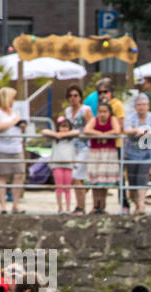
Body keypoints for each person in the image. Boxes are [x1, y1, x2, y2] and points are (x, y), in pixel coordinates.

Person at [0, 86, 26, 214]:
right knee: (2, 175)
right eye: (13, 98)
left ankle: (16, 205)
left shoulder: (14, 112)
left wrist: (22, 125)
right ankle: (3, 206)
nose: (14, 101)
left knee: (19, 174)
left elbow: (18, 125)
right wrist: (14, 121)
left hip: (15, 147)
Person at [122, 93, 151, 217]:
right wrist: (136, 131)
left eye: (144, 105)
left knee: (142, 177)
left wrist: (147, 131)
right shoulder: (130, 117)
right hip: (131, 153)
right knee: (132, 180)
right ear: (135, 107)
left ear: (148, 106)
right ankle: (136, 204)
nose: (141, 107)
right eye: (139, 105)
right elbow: (126, 130)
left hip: (147, 154)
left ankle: (141, 205)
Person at [83, 101, 122, 214]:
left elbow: (117, 130)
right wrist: (101, 134)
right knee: (95, 181)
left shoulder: (113, 119)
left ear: (109, 112)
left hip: (108, 153)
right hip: (96, 153)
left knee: (104, 181)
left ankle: (102, 206)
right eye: (100, 111)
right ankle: (95, 205)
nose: (102, 114)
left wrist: (104, 134)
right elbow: (87, 130)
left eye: (105, 111)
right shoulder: (94, 120)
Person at [61, 84, 94, 214]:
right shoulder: (68, 111)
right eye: (70, 96)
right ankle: (79, 205)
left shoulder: (86, 110)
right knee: (75, 178)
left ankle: (81, 206)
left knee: (77, 176)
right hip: (71, 147)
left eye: (75, 95)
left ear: (80, 97)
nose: (73, 98)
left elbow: (90, 127)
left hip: (84, 146)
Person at [45, 116, 77, 213]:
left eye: (66, 127)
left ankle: (67, 207)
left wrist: (65, 135)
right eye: (62, 126)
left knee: (67, 188)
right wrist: (57, 135)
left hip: (68, 165)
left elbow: (78, 132)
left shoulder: (71, 139)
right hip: (57, 165)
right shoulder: (55, 139)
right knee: (59, 187)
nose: (64, 129)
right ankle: (60, 207)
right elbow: (44, 131)